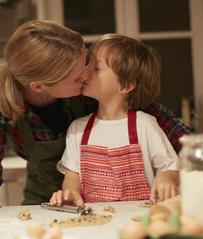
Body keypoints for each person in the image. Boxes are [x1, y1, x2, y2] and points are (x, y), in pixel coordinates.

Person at [0, 20, 191, 234]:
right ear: (39, 86)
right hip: (44, 207)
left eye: (89, 62)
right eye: (77, 74)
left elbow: (182, 141)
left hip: (111, 212)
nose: (86, 74)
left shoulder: (94, 92)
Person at [50, 34, 179, 207]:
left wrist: (166, 177)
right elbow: (72, 176)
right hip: (94, 223)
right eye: (88, 63)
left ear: (125, 85)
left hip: (139, 221)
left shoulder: (144, 125)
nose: (85, 71)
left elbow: (173, 166)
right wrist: (71, 194)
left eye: (96, 68)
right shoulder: (77, 129)